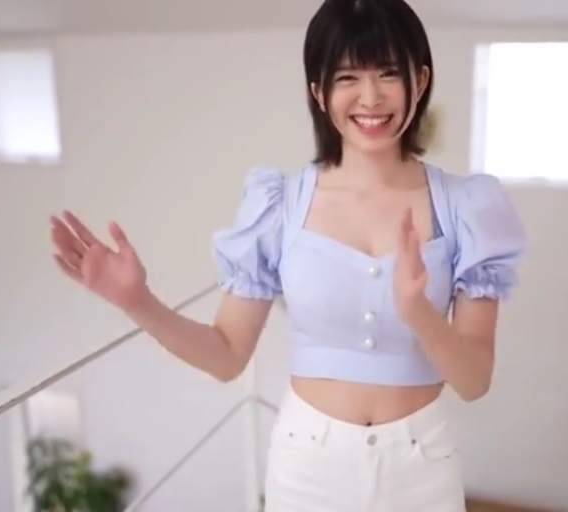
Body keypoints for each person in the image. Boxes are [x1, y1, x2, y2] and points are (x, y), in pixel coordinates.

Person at [49, 0, 527, 510]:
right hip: (307, 468)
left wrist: (422, 317)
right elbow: (227, 355)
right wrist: (137, 301)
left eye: (389, 73)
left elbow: (474, 381)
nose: (370, 97)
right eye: (347, 77)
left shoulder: (466, 207)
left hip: (422, 469)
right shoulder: (280, 205)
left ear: (421, 79)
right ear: (319, 92)